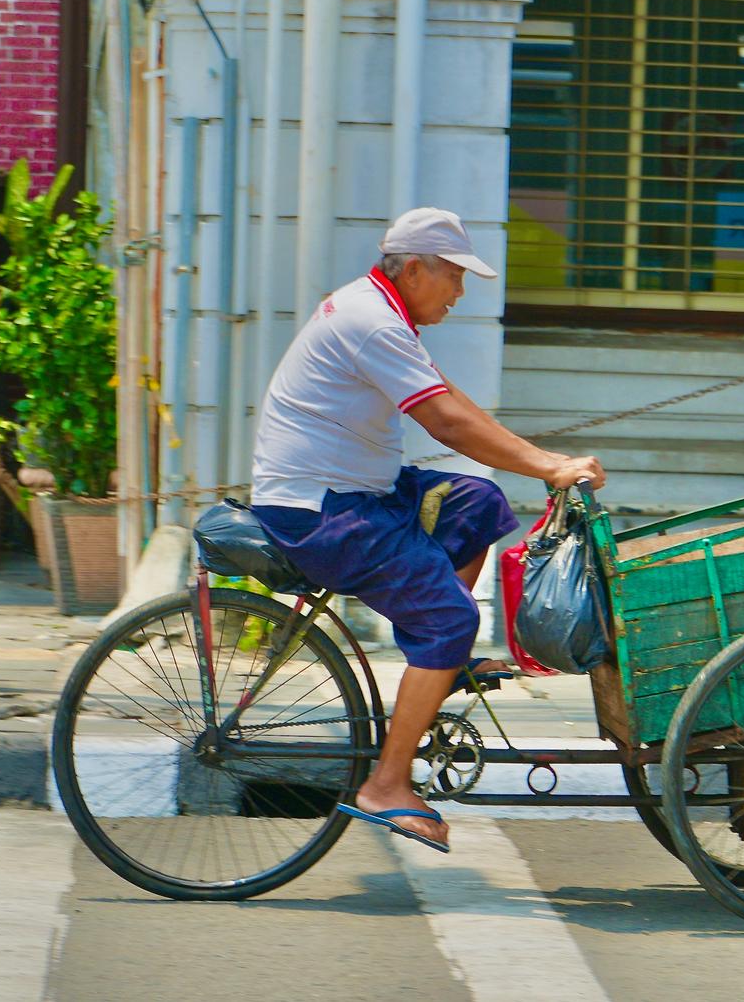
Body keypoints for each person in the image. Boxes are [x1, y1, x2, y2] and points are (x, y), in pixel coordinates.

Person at [248, 207, 604, 854]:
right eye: (454, 277)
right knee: (449, 620)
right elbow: (447, 424)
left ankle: (435, 657)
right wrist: (550, 466)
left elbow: (452, 401)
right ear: (413, 269)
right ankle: (385, 783)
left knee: (476, 503)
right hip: (323, 512)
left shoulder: (382, 313)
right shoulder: (370, 320)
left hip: (360, 493)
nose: (461, 293)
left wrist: (541, 460)